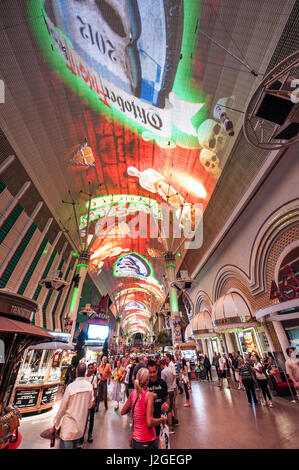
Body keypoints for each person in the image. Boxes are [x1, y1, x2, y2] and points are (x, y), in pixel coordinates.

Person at [50, 363, 93, 449]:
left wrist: (55, 424)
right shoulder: (89, 387)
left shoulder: (71, 387)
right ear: (85, 372)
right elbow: (90, 405)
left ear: (76, 372)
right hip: (79, 428)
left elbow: (62, 408)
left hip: (68, 428)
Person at [121, 368, 167, 449]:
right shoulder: (148, 395)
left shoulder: (133, 394)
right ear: (147, 380)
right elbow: (149, 422)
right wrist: (161, 419)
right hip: (147, 440)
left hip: (136, 439)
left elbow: (123, 411)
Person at [147, 360, 169, 439]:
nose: (152, 375)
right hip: (147, 420)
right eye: (150, 372)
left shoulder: (162, 383)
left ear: (157, 371)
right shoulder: (144, 384)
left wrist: (167, 405)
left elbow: (167, 398)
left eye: (154, 372)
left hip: (160, 419)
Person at [160, 359, 176, 434]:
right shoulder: (170, 370)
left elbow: (162, 383)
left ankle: (170, 427)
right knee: (171, 407)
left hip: (167, 391)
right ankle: (173, 422)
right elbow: (173, 377)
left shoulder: (163, 372)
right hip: (172, 389)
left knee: (168, 410)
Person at [84, 362, 98, 443]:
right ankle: (82, 434)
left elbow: (95, 389)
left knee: (91, 418)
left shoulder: (94, 378)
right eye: (88, 368)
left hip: (91, 400)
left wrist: (94, 400)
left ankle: (90, 434)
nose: (90, 369)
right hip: (84, 400)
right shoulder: (84, 377)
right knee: (84, 418)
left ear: (93, 369)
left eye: (91, 368)